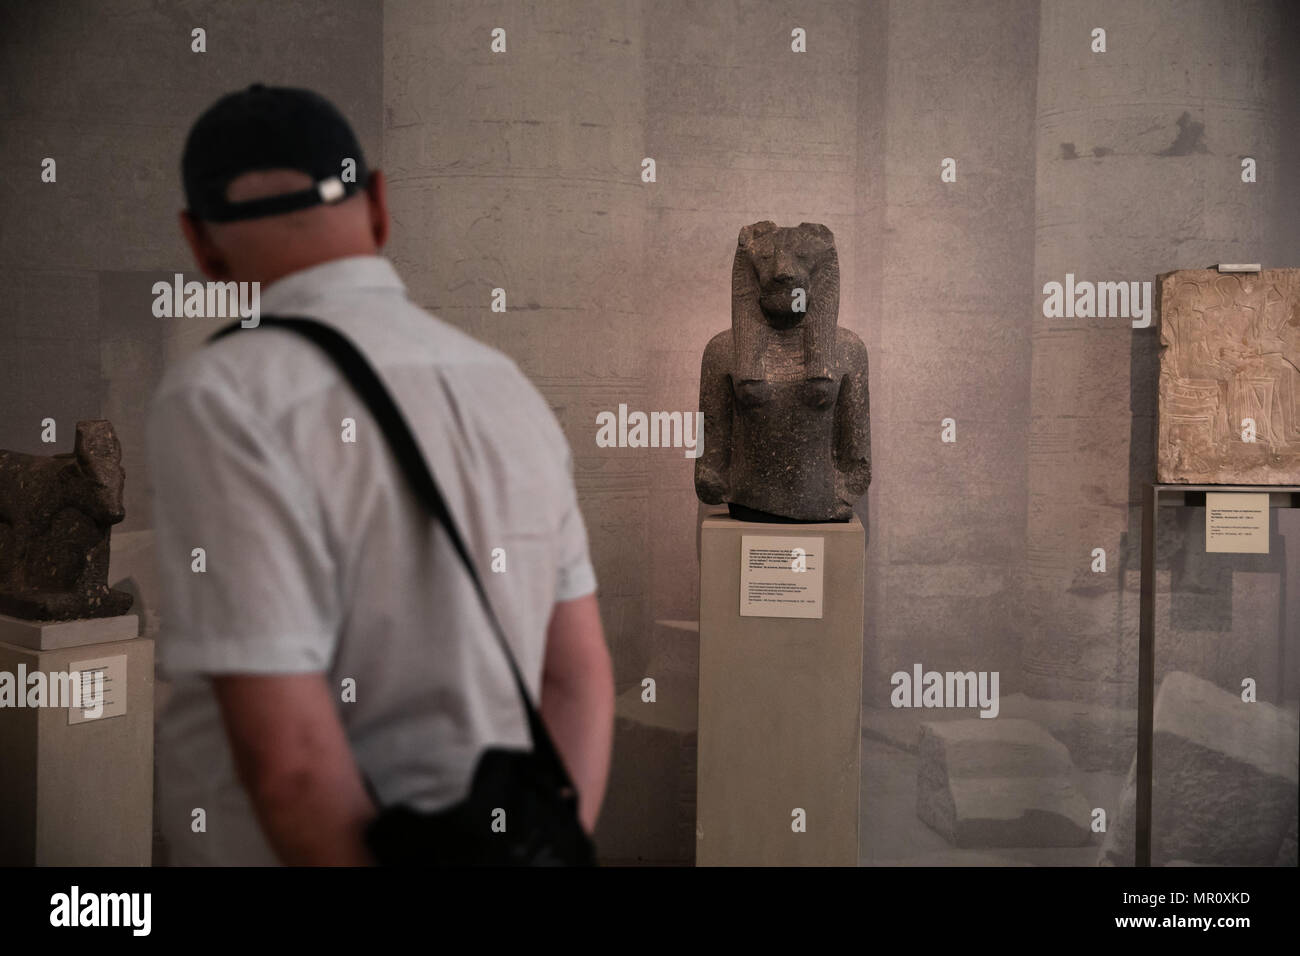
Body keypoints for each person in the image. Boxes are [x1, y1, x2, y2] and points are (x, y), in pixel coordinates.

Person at [147, 84, 613, 865]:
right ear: (379, 205)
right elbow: (577, 683)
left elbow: (292, 771)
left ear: (200, 243)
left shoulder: (220, 395)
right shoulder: (507, 385)